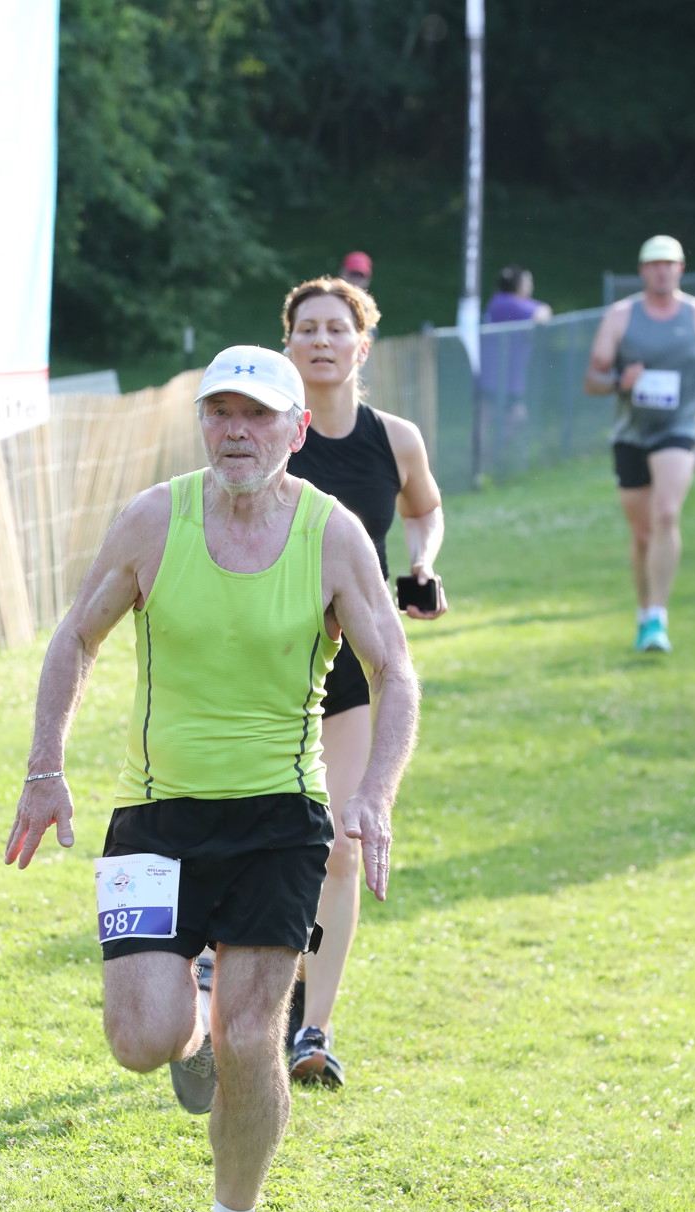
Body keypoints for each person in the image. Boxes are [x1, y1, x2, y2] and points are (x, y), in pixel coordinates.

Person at [5, 344, 420, 1212]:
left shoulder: (331, 534)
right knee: (141, 1039)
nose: (237, 432)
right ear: (202, 424)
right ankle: (188, 1020)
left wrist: (375, 791)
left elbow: (395, 671)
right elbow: (76, 637)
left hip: (282, 819)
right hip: (158, 815)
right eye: (220, 413)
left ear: (296, 430)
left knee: (251, 1033)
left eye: (258, 415)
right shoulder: (155, 520)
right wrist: (44, 767)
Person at [280, 275, 446, 1090]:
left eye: (335, 328)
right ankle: (244, 988)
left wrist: (422, 563)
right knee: (268, 838)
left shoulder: (396, 440)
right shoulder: (269, 433)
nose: (321, 340)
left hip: (350, 671)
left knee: (343, 844)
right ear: (287, 346)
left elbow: (425, 508)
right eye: (307, 328)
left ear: (361, 345)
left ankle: (312, 1029)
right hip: (267, 667)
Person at [585, 235, 695, 653]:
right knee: (641, 533)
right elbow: (593, 379)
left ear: (680, 268)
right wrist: (620, 382)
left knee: (666, 513)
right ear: (642, 271)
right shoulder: (621, 316)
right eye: (654, 264)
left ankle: (658, 617)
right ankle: (643, 614)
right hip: (631, 433)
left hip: (680, 428)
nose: (662, 271)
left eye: (669, 264)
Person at [480, 267, 553, 468]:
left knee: (510, 417)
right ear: (518, 285)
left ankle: (489, 461)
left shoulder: (500, 301)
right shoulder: (508, 303)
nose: (531, 286)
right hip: (497, 376)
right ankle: (485, 462)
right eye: (528, 282)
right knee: (490, 419)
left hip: (503, 376)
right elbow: (542, 314)